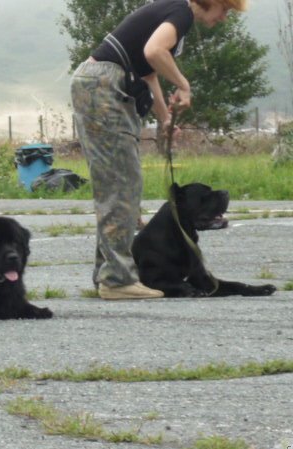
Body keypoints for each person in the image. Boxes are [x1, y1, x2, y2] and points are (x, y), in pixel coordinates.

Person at [71, 0, 247, 300]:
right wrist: (183, 84)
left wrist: (164, 117)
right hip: (104, 84)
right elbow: (155, 51)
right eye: (225, 10)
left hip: (100, 82)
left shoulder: (173, 13)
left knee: (119, 183)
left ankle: (110, 275)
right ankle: (117, 280)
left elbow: (148, 71)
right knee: (121, 184)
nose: (223, 18)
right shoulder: (181, 12)